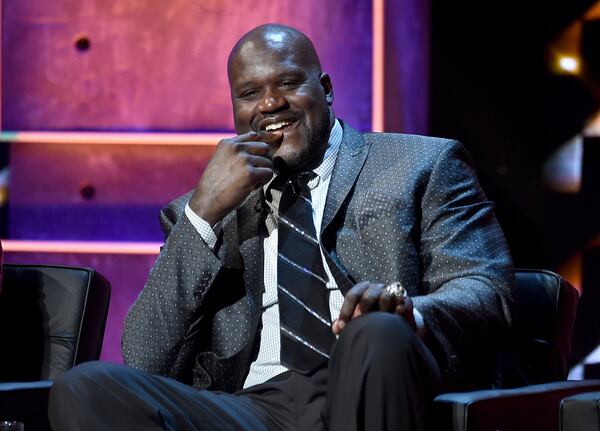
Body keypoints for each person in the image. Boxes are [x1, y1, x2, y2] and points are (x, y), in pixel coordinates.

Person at [48, 23, 514, 431]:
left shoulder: (420, 163)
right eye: (250, 93)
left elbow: (485, 288)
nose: (270, 103)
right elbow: (146, 357)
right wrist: (203, 214)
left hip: (368, 375)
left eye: (289, 82)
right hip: (253, 408)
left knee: (378, 331)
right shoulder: (207, 209)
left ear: (326, 88)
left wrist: (408, 313)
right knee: (85, 385)